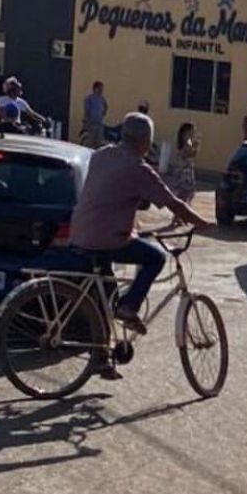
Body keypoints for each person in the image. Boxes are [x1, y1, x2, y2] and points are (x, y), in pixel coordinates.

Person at [69, 113, 210, 339]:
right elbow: (173, 203)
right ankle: (130, 307)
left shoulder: (101, 154)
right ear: (145, 140)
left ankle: (102, 358)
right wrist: (202, 223)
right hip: (107, 239)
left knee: (108, 297)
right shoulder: (138, 168)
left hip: (81, 232)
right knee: (156, 258)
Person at [168, 122, 200, 204]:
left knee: (185, 195)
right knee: (184, 194)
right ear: (187, 131)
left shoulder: (188, 141)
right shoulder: (185, 141)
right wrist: (194, 148)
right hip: (184, 170)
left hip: (187, 169)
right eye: (192, 130)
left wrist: (195, 148)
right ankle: (179, 213)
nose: (193, 133)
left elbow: (192, 154)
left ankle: (180, 213)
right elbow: (184, 154)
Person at [82, 81, 107, 148]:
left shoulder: (102, 99)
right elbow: (87, 111)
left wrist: (102, 115)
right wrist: (87, 123)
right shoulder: (89, 98)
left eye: (102, 89)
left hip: (99, 124)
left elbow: (105, 107)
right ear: (95, 89)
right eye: (99, 89)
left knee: (99, 143)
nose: (101, 90)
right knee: (90, 142)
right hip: (91, 124)